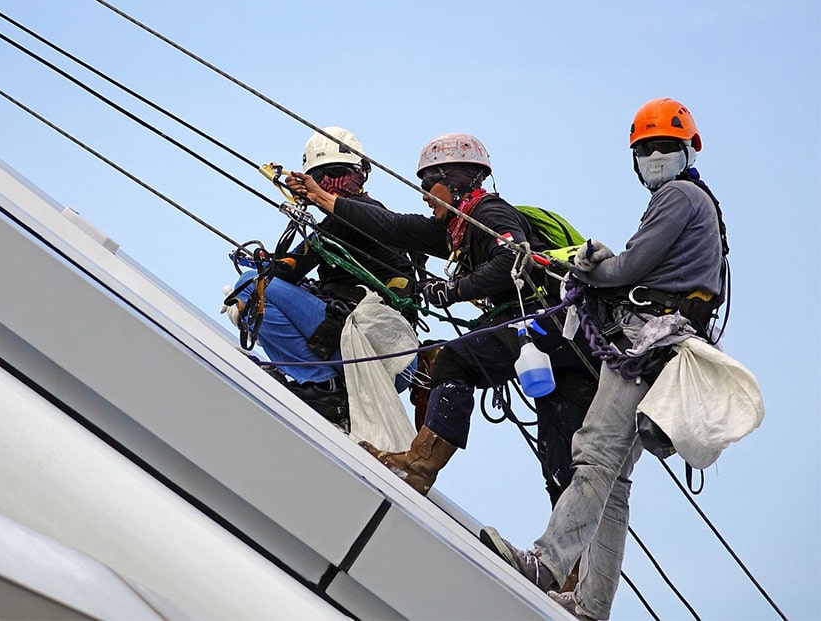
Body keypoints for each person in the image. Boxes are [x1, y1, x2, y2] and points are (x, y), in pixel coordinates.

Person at [480, 98, 727, 620]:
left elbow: (630, 268)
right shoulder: (702, 204)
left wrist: (588, 266)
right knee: (613, 484)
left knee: (593, 455)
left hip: (648, 347)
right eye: (647, 149)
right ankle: (591, 604)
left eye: (664, 147)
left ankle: (543, 565)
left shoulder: (679, 196)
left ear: (687, 150)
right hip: (670, 350)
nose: (656, 156)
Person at [287, 133, 597, 497]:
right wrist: (325, 199)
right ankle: (573, 554)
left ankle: (419, 466)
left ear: (455, 179)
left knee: (454, 358)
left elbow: (510, 258)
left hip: (546, 322)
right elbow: (392, 226)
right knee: (558, 457)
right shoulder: (454, 229)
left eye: (428, 182)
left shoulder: (488, 213)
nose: (423, 193)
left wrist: (455, 290)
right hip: (563, 342)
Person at [223, 126, 419, 432]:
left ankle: (320, 385)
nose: (328, 185)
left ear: (360, 176)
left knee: (251, 286)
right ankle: (326, 386)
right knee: (274, 288)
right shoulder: (375, 218)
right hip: (393, 360)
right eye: (321, 178)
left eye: (337, 174)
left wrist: (266, 265)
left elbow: (288, 268)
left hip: (373, 349)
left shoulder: (353, 215)